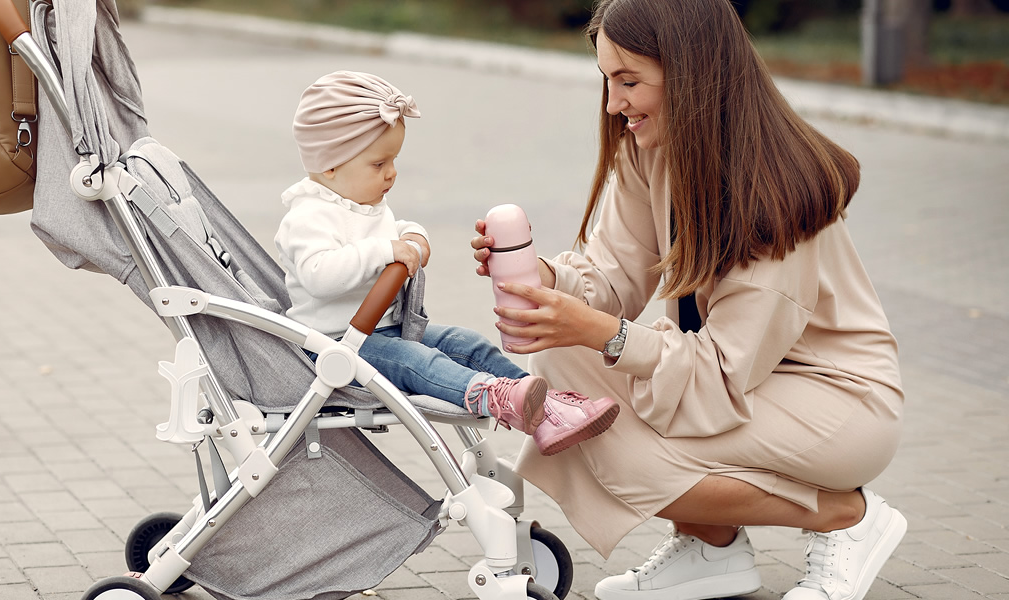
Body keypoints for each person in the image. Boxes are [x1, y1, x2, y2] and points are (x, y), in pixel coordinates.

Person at [469, 1, 906, 599]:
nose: (611, 103)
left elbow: (719, 374)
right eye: (606, 80)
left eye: (629, 81)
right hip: (741, 379)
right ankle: (712, 547)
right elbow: (611, 278)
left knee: (621, 448)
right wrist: (542, 280)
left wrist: (604, 334)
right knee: (560, 367)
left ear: (693, 75)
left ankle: (843, 517)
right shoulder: (650, 150)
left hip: (836, 400)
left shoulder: (772, 192)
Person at [277, 70, 620, 454]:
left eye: (394, 160)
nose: (391, 173)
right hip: (336, 347)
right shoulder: (308, 216)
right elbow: (318, 274)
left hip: (383, 332)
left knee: (465, 343)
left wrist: (413, 235)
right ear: (330, 165)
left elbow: (392, 228)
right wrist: (386, 252)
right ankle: (491, 396)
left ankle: (549, 410)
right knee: (416, 361)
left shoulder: (360, 200)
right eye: (379, 164)